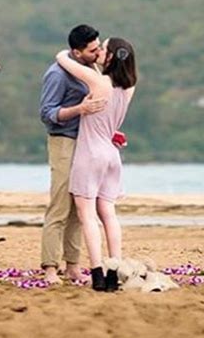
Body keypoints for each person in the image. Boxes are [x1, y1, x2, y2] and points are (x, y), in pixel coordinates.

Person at [56, 37, 137, 292]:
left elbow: (64, 60)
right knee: (109, 215)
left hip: (91, 153)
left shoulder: (98, 81)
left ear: (110, 57)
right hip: (112, 156)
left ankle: (98, 272)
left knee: (87, 216)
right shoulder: (129, 87)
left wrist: (63, 53)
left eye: (103, 48)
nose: (99, 51)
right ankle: (115, 270)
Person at [39, 25, 107, 284]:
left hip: (87, 143)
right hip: (64, 142)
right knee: (59, 205)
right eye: (93, 49)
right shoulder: (57, 74)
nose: (98, 51)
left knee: (81, 207)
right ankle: (49, 267)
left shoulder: (92, 69)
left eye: (99, 46)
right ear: (77, 53)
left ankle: (73, 266)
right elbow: (47, 114)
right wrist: (80, 108)